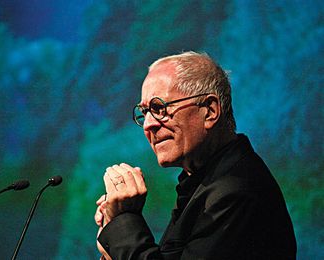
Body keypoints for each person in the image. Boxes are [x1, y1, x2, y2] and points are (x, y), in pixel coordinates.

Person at [94, 51, 297, 259]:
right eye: (144, 112)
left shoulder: (237, 191)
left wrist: (124, 221)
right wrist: (114, 245)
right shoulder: (202, 182)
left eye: (159, 108)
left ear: (209, 111)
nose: (149, 125)